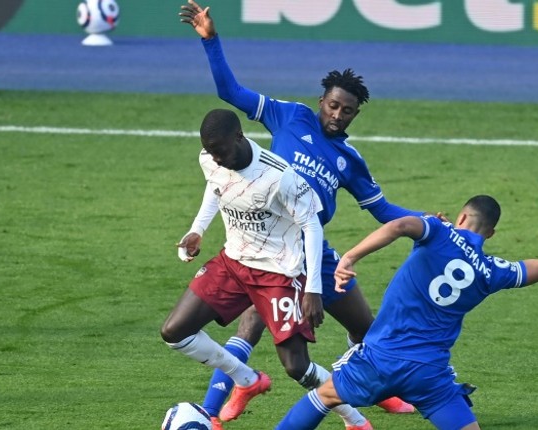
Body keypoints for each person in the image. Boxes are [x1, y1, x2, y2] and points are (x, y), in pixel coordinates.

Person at [179, 1, 418, 425]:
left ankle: (374, 391)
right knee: (251, 325)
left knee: (368, 330)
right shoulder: (289, 116)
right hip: (266, 244)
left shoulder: (350, 160)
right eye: (332, 105)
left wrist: (427, 223)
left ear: (355, 114)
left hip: (315, 252)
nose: (336, 114)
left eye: (346, 110)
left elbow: (382, 210)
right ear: (321, 100)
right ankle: (214, 409)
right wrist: (211, 41)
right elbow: (230, 94)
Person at [275, 164, 538, 430]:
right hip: (428, 374)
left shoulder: (439, 231)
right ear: (490, 234)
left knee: (323, 396)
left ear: (462, 216)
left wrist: (350, 257)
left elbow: (399, 225)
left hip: (381, 359)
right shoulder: (491, 271)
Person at [161, 109, 372, 430]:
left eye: (222, 151)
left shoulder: (281, 177)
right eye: (211, 152)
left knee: (296, 367)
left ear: (240, 137)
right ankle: (246, 379)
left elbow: (312, 228)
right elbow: (215, 185)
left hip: (278, 274)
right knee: (174, 332)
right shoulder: (211, 158)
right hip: (233, 263)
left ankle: (354, 420)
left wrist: (313, 288)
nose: (216, 159)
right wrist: (197, 230)